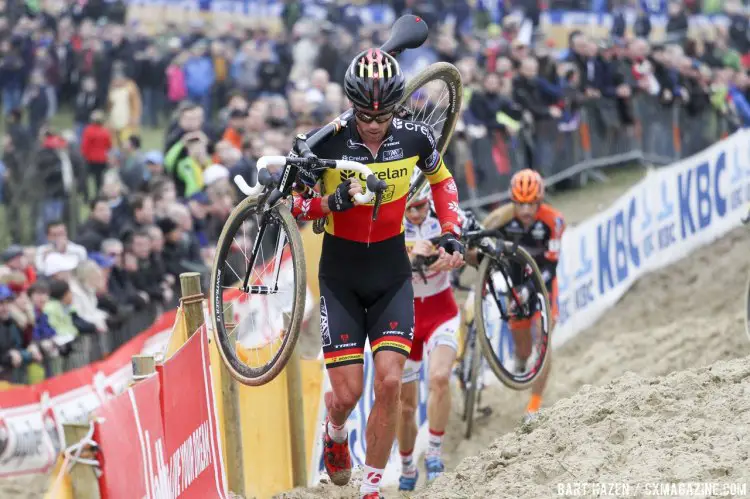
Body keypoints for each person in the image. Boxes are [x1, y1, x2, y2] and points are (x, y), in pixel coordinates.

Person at [289, 48, 464, 499]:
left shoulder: (415, 137)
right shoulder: (325, 142)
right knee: (347, 394)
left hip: (390, 274)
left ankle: (372, 487)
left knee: (389, 383)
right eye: (364, 113)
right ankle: (335, 430)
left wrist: (451, 230)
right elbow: (295, 206)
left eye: (382, 113)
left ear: (396, 105)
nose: (372, 121)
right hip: (340, 278)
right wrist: (331, 203)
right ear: (351, 103)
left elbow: (442, 180)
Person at [480, 169, 565, 423]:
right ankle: (519, 358)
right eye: (520, 204)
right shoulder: (504, 219)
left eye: (531, 204)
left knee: (543, 340)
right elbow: (483, 246)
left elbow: (552, 266)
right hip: (515, 284)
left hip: (543, 283)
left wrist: (532, 288)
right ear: (512, 201)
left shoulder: (554, 221)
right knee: (524, 348)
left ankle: (534, 405)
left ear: (540, 201)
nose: (526, 211)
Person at [397, 186, 461, 490]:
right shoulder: (391, 219)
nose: (415, 214)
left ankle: (434, 454)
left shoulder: (445, 216)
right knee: (406, 405)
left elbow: (470, 246)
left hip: (441, 312)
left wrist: (458, 255)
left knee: (439, 378)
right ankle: (408, 466)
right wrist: (410, 254)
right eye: (409, 208)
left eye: (421, 207)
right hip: (406, 320)